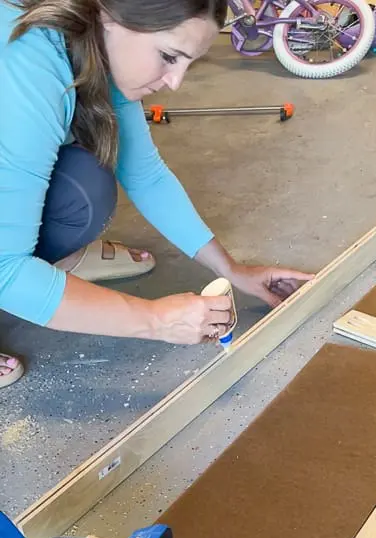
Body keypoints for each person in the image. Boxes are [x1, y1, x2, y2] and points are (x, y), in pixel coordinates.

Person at [0, 0, 312, 388]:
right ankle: (40, 278)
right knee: (16, 272)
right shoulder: (29, 68)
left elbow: (146, 175)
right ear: (110, 16)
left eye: (187, 63)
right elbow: (4, 271)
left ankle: (50, 269)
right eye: (168, 57)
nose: (175, 82)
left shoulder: (98, 47)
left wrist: (232, 270)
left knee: (83, 187)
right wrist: (156, 320)